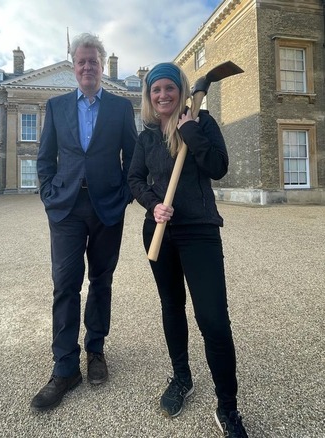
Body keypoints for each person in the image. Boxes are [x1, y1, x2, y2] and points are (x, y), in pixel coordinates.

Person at [127, 62, 248, 437]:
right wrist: (152, 203)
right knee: (171, 306)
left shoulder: (203, 122)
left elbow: (218, 167)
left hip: (200, 232)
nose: (162, 95)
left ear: (181, 89)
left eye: (169, 88)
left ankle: (228, 407)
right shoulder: (146, 135)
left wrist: (191, 131)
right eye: (155, 90)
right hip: (159, 232)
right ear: (149, 96)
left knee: (213, 320)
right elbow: (133, 178)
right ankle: (182, 377)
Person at [33, 33, 137, 411]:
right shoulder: (57, 105)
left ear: (101, 65)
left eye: (93, 61)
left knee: (101, 281)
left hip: (108, 206)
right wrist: (48, 194)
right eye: (81, 62)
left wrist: (125, 195)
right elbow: (45, 157)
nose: (88, 67)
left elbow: (133, 156)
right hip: (66, 208)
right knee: (64, 284)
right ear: (73, 66)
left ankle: (95, 350)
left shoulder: (121, 108)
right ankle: (64, 367)